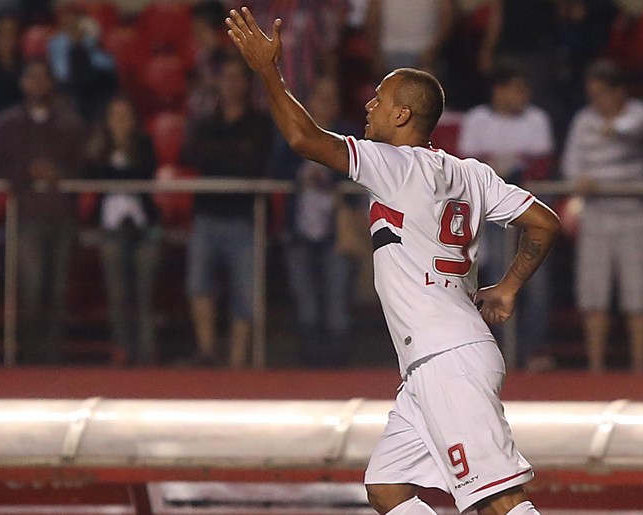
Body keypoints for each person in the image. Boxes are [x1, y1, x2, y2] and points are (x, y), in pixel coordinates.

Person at [225, 7, 560, 515]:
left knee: (501, 502)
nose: (369, 105)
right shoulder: (471, 172)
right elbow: (544, 221)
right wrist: (509, 286)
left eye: (378, 99)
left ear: (402, 115)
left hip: (447, 358)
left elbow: (303, 139)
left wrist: (268, 72)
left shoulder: (394, 164)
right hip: (434, 358)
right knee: (387, 488)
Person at [0, 59, 86, 364]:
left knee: (57, 289)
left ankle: (53, 355)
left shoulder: (70, 123)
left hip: (61, 215)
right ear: (24, 83)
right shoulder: (7, 122)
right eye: (32, 78)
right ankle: (30, 356)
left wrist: (59, 173)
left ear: (51, 82)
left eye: (44, 77)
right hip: (26, 216)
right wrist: (27, 173)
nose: (38, 83)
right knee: (31, 288)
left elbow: (82, 164)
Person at [458, 61, 555, 371]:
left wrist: (502, 167)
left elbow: (539, 165)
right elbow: (466, 164)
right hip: (489, 219)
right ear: (498, 91)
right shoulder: (477, 119)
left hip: (529, 218)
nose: (523, 95)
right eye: (517, 89)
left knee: (535, 285)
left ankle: (532, 350)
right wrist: (510, 166)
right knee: (496, 281)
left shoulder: (536, 118)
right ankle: (498, 351)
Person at [180, 55, 274, 368]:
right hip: (207, 214)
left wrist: (219, 156)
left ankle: (238, 361)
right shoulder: (207, 121)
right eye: (227, 77)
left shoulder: (259, 123)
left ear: (247, 84)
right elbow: (190, 154)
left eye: (237, 77)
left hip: (244, 217)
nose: (232, 84)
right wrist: (231, 154)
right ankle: (207, 352)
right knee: (199, 284)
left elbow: (255, 162)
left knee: (245, 292)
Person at [561, 60, 643, 373]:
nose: (596, 101)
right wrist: (580, 179)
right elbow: (571, 163)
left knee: (637, 292)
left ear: (619, 92)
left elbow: (630, 129)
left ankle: (640, 367)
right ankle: (596, 367)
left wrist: (610, 129)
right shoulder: (582, 120)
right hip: (596, 213)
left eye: (602, 93)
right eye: (592, 95)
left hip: (634, 214)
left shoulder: (639, 113)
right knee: (594, 292)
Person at [271, 75, 362, 367]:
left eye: (331, 99)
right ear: (308, 103)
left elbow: (360, 174)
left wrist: (331, 177)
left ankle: (338, 366)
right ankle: (309, 365)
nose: (326, 105)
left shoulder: (349, 137)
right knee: (306, 303)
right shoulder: (292, 134)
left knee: (336, 302)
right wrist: (300, 174)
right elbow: (273, 172)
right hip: (299, 232)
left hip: (336, 232)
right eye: (321, 98)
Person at [86, 95, 161, 367]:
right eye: (114, 115)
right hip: (111, 230)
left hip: (143, 228)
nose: (120, 121)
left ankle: (147, 352)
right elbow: (94, 176)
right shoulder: (99, 148)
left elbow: (145, 175)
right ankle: (122, 350)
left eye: (125, 115)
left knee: (144, 294)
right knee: (117, 294)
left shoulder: (143, 145)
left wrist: (120, 170)